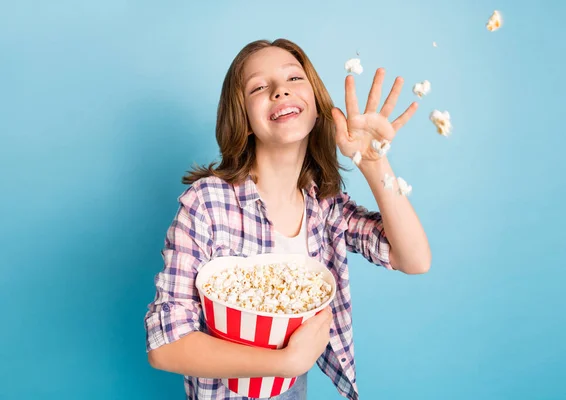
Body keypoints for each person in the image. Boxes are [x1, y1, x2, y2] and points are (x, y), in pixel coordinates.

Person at [144, 38, 431, 400]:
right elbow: (165, 344)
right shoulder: (207, 204)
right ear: (243, 120)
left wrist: (373, 162)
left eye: (294, 79)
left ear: (316, 107)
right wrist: (285, 362)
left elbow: (414, 259)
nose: (280, 91)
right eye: (259, 87)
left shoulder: (327, 208)